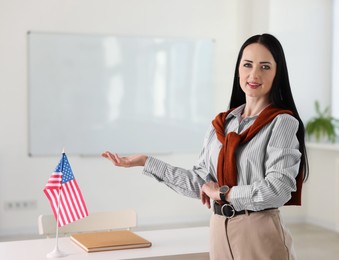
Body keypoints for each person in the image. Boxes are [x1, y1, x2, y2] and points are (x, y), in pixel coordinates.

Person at [102, 33, 308, 260]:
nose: (254, 74)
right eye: (247, 64)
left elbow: (278, 189)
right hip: (218, 229)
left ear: (277, 73)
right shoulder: (221, 124)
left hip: (259, 232)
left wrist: (224, 193)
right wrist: (146, 162)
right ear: (238, 69)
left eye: (265, 67)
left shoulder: (282, 123)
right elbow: (199, 184)